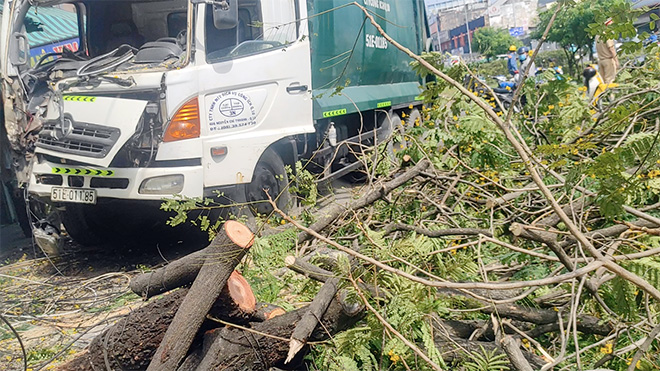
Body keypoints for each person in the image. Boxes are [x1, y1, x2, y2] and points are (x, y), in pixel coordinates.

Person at [595, 19, 619, 84]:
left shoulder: (598, 35)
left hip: (601, 60)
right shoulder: (607, 35)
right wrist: (616, 61)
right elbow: (611, 49)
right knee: (610, 80)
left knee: (603, 81)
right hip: (608, 61)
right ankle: (610, 94)